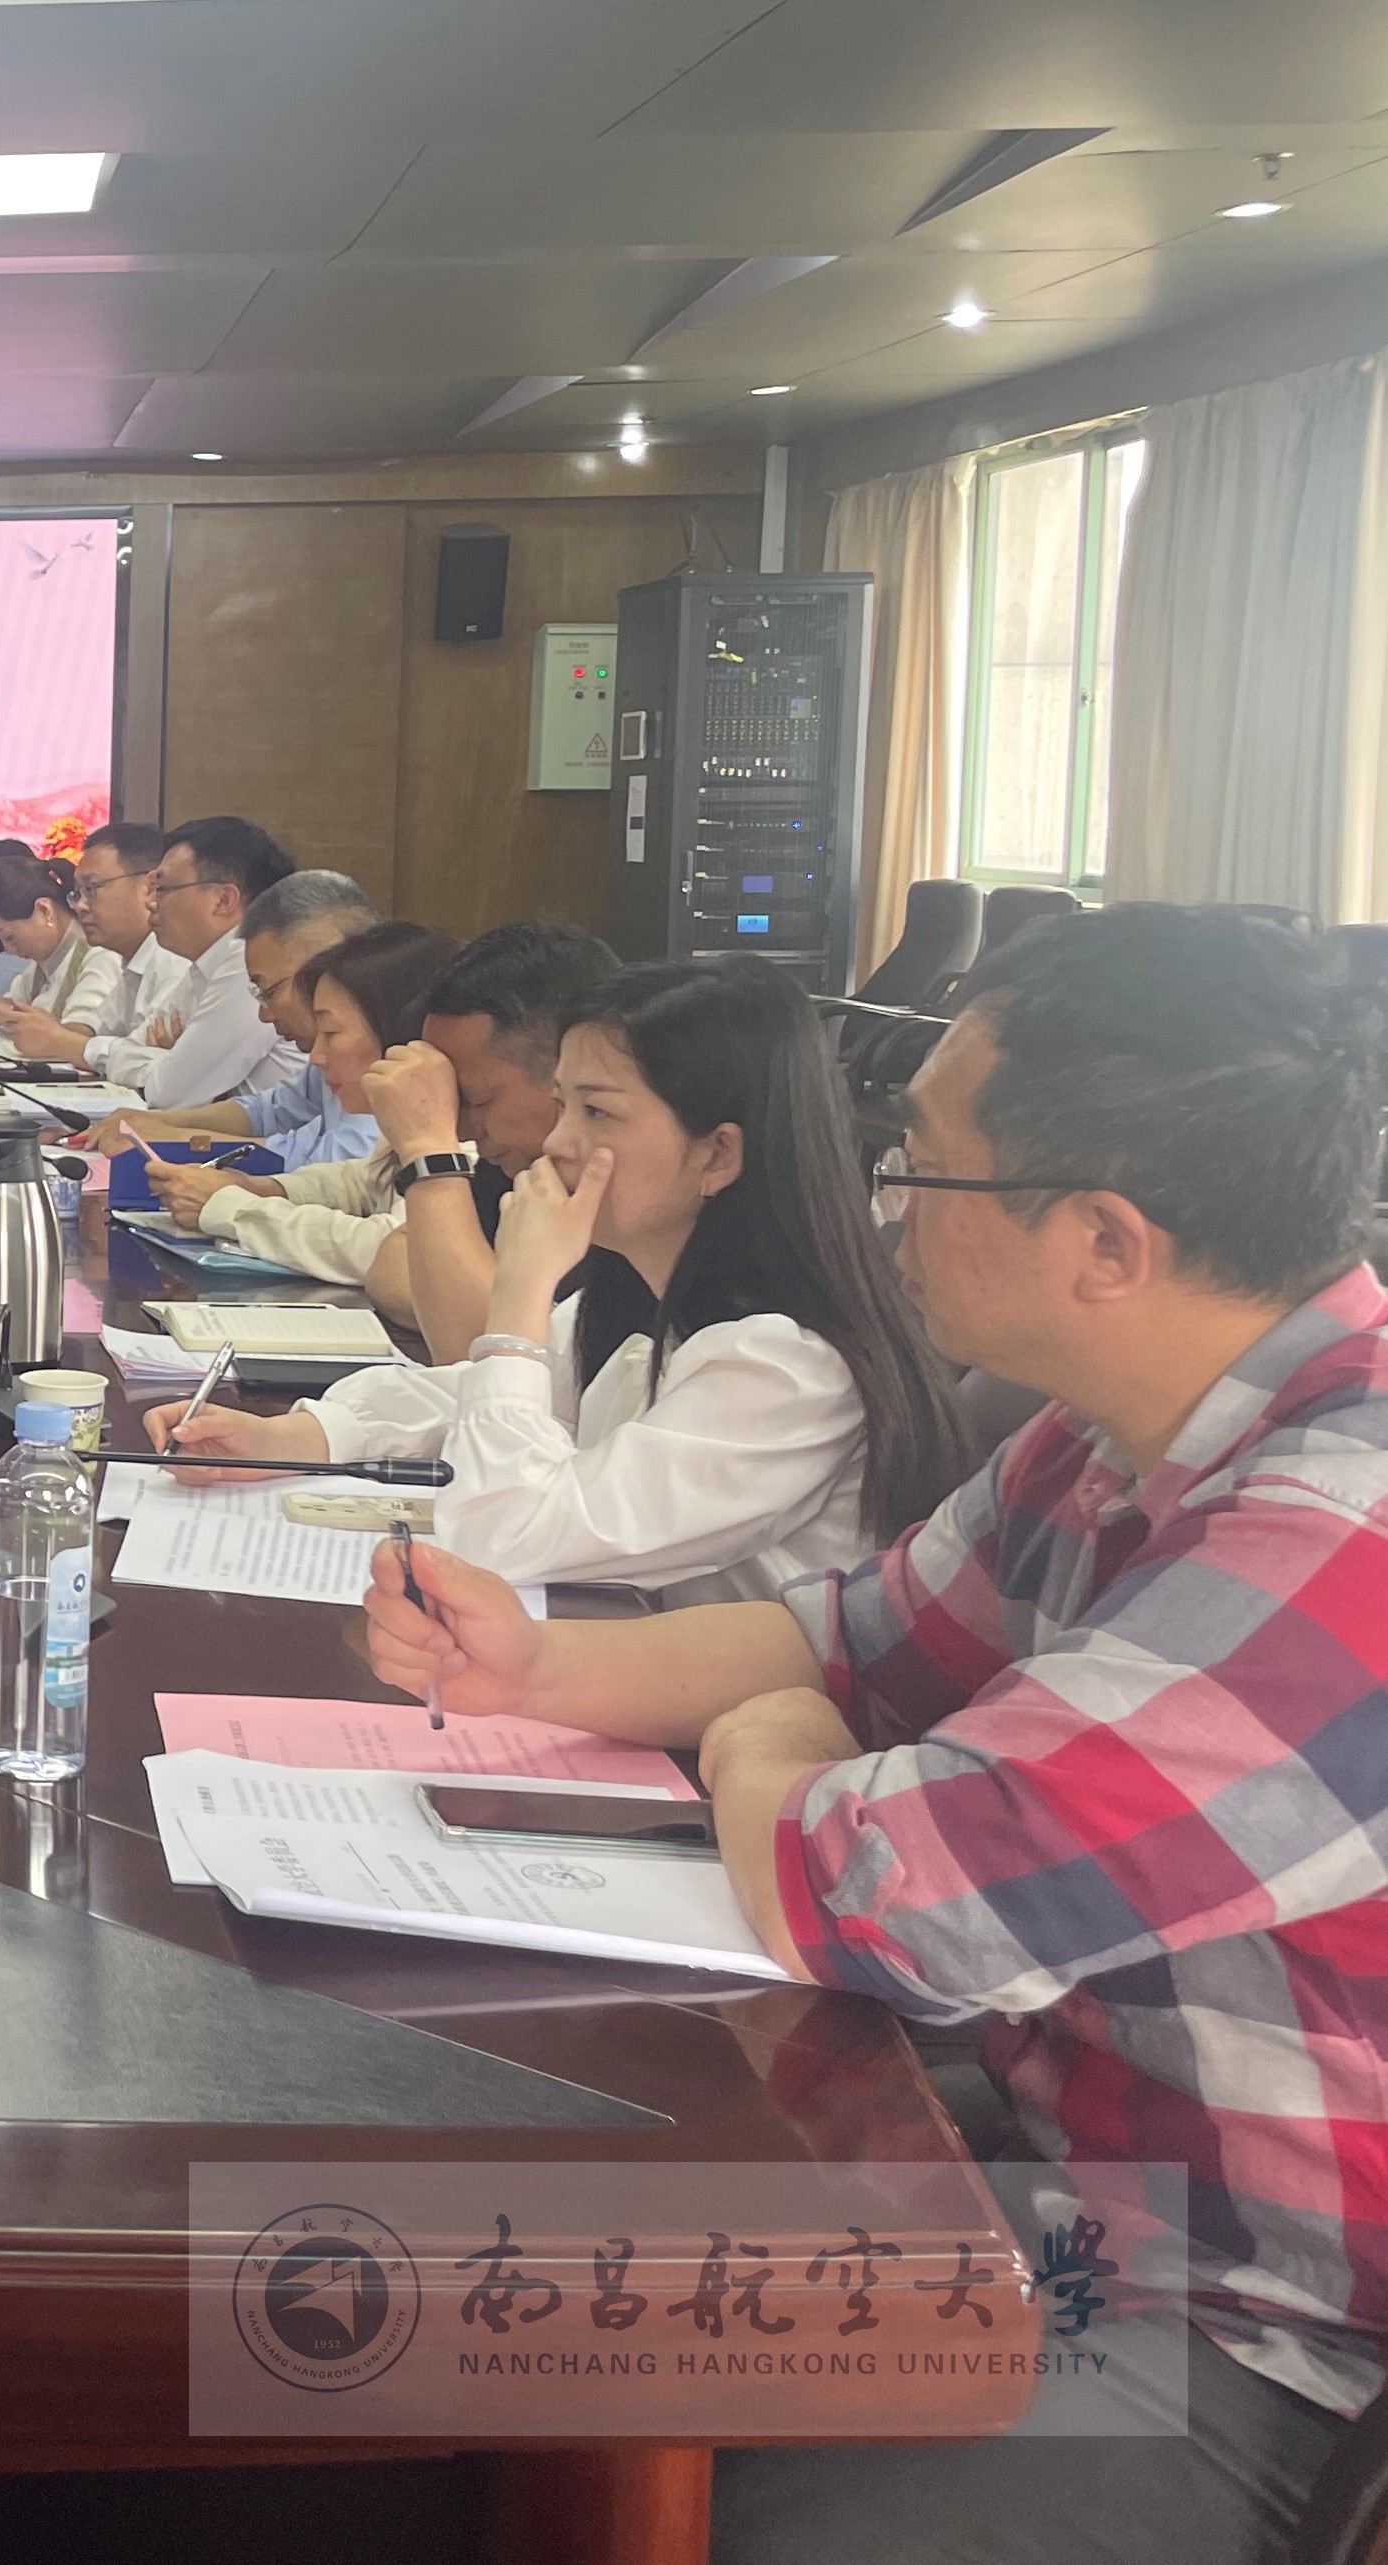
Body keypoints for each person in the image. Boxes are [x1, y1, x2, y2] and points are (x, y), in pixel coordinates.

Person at [363, 911, 1388, 2564]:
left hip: (1260, 2322)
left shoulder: (1341, 1539)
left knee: (661, 2494)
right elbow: (839, 1641)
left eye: (918, 1161)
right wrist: (530, 1669)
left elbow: (881, 1893)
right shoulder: (1113, 1434)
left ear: (1103, 1242)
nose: (882, 1201)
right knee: (486, 2298)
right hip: (1058, 2160)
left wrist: (768, 1743)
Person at [168, 956, 967, 1604]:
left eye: (597, 1113)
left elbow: (504, 1534)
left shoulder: (786, 1368)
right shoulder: (642, 1289)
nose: (557, 1143)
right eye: (561, 1106)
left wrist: (519, 1291)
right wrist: (298, 1438)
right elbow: (469, 1394)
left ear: (717, 1153)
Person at [350, 919, 621, 1361]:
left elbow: (485, 1357)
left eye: (476, 1100)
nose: (461, 1128)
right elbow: (391, 1263)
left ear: (566, 1070)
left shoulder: (630, 1187)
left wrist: (429, 1151)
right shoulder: (517, 1171)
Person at [137, 920, 459, 1292]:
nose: (317, 1057)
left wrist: (232, 1209)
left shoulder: (459, 1138)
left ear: (399, 1032)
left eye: (331, 1034)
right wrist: (255, 1187)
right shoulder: (400, 1129)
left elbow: (389, 1247)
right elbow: (364, 1180)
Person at [114, 869, 382, 1169]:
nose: (263, 1014)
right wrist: (161, 1124)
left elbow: (348, 1162)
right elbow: (270, 1111)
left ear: (328, 967)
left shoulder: (395, 1039)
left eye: (270, 992)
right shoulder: (329, 1052)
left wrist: (179, 1139)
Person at [27, 816, 299, 1106]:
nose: (151, 902)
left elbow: (169, 1092)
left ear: (223, 900)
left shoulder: (247, 962)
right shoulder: (203, 966)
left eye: (163, 888)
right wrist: (165, 1061)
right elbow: (140, 1047)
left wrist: (168, 1063)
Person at [0, 821, 159, 1053]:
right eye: (78, 892)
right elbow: (88, 1030)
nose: (81, 906)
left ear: (150, 887)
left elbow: (153, 1065)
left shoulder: (170, 961)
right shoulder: (132, 963)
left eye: (92, 888)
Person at [0, 848, 97, 1034]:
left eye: (8, 937)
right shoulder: (42, 963)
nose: (9, 949)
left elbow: (78, 1037)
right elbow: (15, 1008)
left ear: (44, 911)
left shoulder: (97, 955)